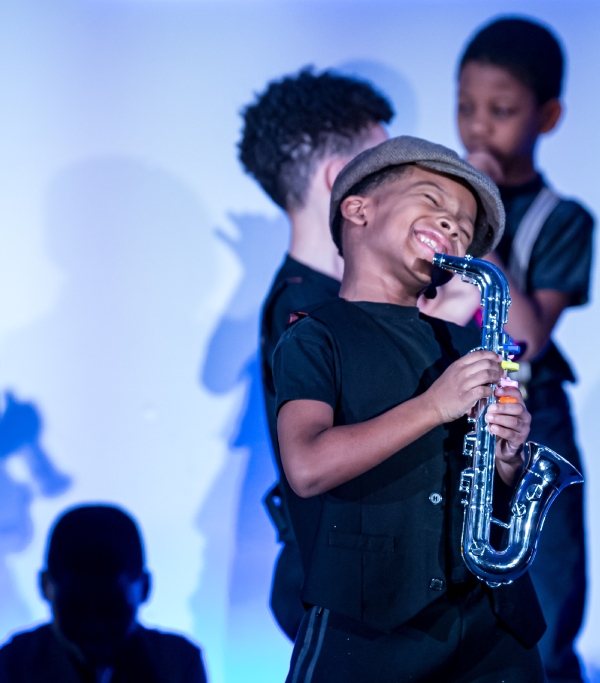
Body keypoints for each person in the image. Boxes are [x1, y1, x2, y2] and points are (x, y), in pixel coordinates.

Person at [273, 135, 546, 682]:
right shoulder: (316, 335)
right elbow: (306, 467)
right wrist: (434, 405)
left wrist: (508, 458)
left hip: (492, 624)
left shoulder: (467, 344)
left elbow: (482, 481)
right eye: (432, 200)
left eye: (464, 227)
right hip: (371, 623)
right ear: (358, 209)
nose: (452, 225)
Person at [423, 17, 595, 682]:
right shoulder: (425, 203)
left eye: (501, 111)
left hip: (527, 409)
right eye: (465, 107)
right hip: (442, 406)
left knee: (545, 603)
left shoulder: (563, 218)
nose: (477, 128)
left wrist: (479, 221)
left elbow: (527, 334)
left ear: (546, 116)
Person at [237, 67, 392, 639]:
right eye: (386, 169)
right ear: (341, 180)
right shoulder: (303, 309)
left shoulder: (331, 298)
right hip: (343, 597)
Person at [0, 504, 207, 682]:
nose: (93, 625)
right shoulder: (176, 662)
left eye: (110, 608)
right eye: (76, 608)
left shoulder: (16, 662)